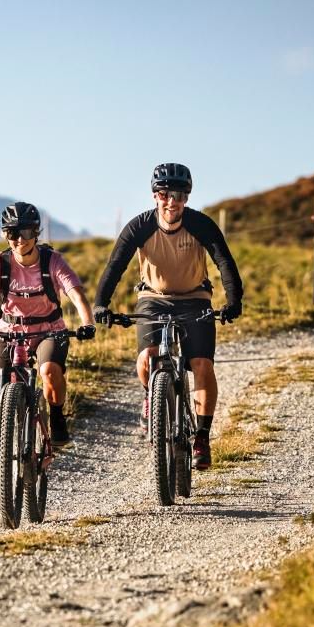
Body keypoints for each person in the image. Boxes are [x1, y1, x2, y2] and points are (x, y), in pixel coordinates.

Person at [91, 163, 243, 471]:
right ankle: (152, 397)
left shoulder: (200, 224)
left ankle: (201, 437)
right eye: (164, 194)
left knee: (202, 364)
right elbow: (115, 266)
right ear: (154, 196)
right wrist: (100, 304)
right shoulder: (139, 226)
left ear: (187, 198)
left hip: (195, 299)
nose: (171, 202)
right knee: (146, 357)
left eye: (179, 195)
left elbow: (224, 262)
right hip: (153, 299)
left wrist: (233, 301)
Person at [0, 202, 95, 496]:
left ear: (36, 233)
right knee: (1, 405)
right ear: (5, 234)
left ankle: (57, 415)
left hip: (49, 330)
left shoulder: (52, 261)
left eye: (25, 232)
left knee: (49, 371)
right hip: (9, 333)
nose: (19, 239)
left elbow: (75, 293)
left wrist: (87, 322)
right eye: (12, 233)